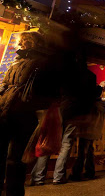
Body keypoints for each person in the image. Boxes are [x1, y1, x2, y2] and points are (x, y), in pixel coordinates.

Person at [30, 53, 103, 185]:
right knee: (66, 145)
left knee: (48, 142)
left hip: (60, 110)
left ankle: (38, 178)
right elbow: (91, 97)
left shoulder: (65, 73)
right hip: (76, 113)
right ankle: (58, 177)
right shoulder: (91, 76)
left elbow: (54, 91)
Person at [0, 32, 57, 196]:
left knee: (15, 158)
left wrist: (29, 104)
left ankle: (14, 192)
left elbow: (48, 94)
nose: (21, 44)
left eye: (25, 41)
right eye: (22, 41)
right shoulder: (17, 61)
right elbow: (5, 84)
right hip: (5, 112)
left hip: (24, 116)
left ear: (33, 43)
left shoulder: (43, 63)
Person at [69, 67, 105, 182]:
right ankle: (90, 172)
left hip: (87, 130)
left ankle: (76, 173)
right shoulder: (100, 104)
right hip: (93, 130)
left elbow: (88, 117)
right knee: (89, 151)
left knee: (82, 152)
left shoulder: (92, 104)